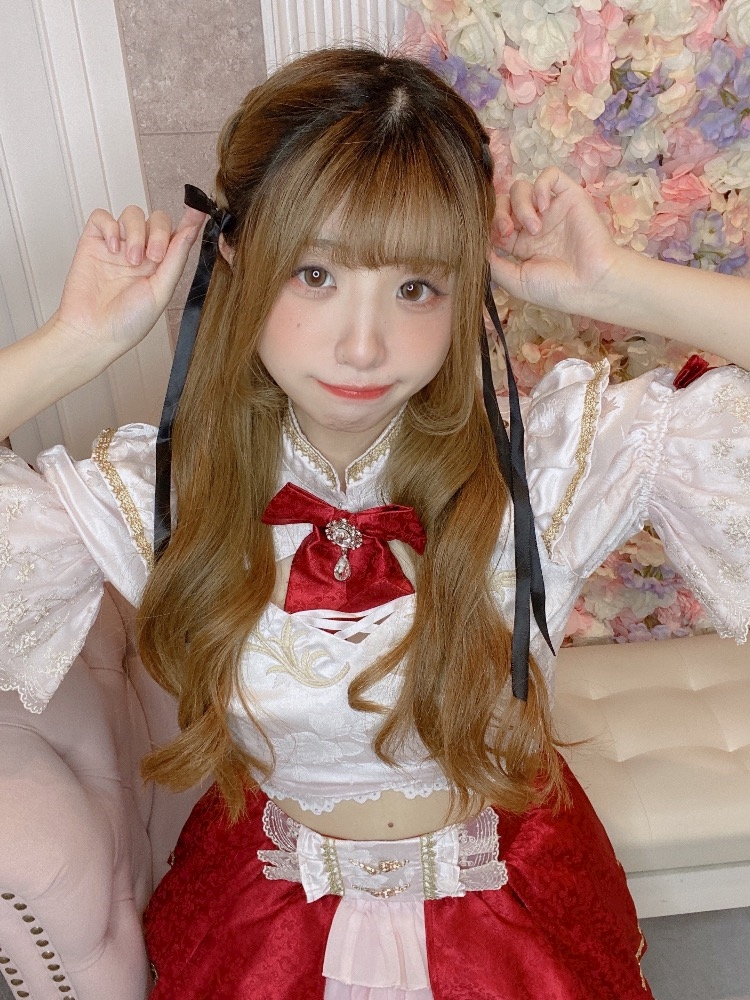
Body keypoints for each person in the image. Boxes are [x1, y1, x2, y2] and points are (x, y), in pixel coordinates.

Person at [1, 47, 749, 1000]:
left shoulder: (552, 462)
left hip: (514, 922)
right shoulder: (162, 490)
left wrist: (620, 284)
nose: (363, 344)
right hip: (268, 929)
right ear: (235, 253)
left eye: (415, 287)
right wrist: (75, 343)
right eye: (314, 273)